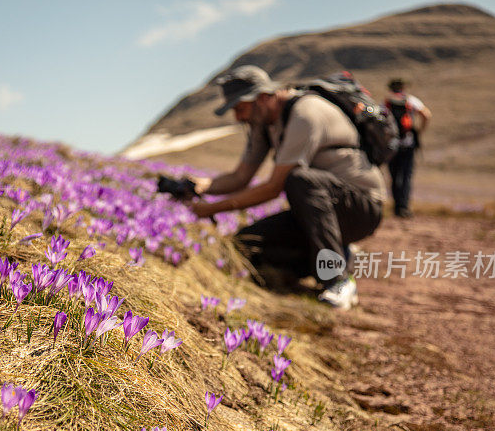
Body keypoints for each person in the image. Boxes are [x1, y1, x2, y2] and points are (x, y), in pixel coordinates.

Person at [185, 65, 386, 309]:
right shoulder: (265, 123)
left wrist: (210, 210)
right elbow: (240, 177)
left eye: (240, 108)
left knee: (299, 180)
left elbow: (274, 187)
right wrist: (197, 187)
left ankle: (337, 280)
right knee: (246, 243)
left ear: (262, 97)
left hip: (361, 208)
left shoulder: (305, 114)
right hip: (321, 211)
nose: (238, 117)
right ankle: (337, 254)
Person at [385, 78, 431, 218]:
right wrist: (419, 131)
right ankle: (404, 208)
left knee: (394, 176)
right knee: (406, 176)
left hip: (392, 145)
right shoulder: (411, 101)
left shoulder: (387, 102)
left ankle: (397, 207)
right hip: (408, 143)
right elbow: (426, 115)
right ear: (403, 88)